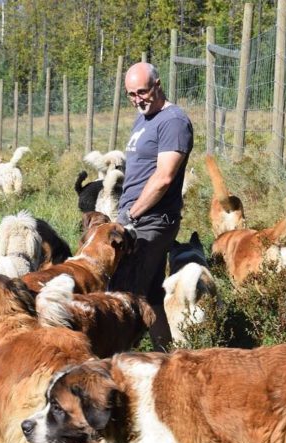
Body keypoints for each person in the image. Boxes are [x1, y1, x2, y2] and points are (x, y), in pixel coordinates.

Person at [111, 62, 194, 350]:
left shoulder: (173, 122)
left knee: (124, 294)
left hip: (150, 220)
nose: (137, 99)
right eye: (131, 94)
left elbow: (163, 177)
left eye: (142, 92)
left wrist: (130, 215)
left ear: (157, 85)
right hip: (138, 217)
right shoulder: (144, 118)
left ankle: (119, 360)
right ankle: (165, 356)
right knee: (151, 294)